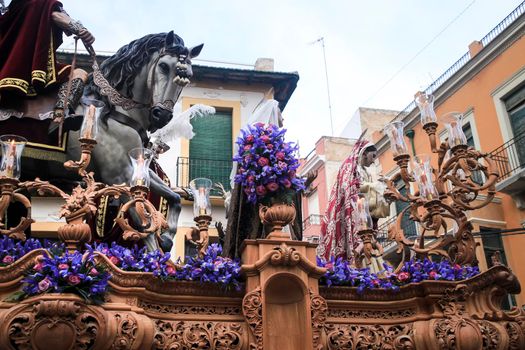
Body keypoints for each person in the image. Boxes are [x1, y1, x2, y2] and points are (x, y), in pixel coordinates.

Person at [0, 0, 95, 121]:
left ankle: (60, 113)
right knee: (78, 73)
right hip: (16, 68)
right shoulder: (37, 2)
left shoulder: (15, 9)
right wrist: (80, 29)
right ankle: (60, 116)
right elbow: (55, 15)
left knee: (78, 73)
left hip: (24, 68)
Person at [317, 139, 390, 265]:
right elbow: (348, 188)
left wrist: (379, 189)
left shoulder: (366, 172)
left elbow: (366, 193)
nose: (373, 161)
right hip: (350, 214)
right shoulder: (349, 166)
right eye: (373, 156)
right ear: (364, 152)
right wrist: (375, 186)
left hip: (363, 217)